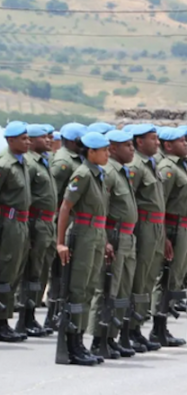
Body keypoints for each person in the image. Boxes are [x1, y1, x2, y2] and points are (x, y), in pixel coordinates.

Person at [57, 132, 111, 366]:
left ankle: (79, 340)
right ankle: (72, 344)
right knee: (77, 289)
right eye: (104, 150)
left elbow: (101, 215)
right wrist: (60, 242)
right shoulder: (83, 174)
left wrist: (105, 240)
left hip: (96, 235)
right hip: (82, 234)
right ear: (91, 152)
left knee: (89, 288)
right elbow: (65, 207)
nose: (108, 154)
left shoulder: (98, 174)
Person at [87, 129, 137, 358]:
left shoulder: (122, 172)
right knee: (106, 288)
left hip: (128, 237)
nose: (132, 149)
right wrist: (106, 240)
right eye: (127, 145)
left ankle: (111, 336)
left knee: (121, 289)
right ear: (114, 149)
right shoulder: (108, 173)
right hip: (113, 236)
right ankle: (99, 338)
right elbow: (101, 208)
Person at [0, 122, 31, 342]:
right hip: (8, 223)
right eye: (23, 139)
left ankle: (5, 318)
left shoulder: (20, 163)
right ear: (10, 140)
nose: (28, 142)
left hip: (21, 224)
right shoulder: (4, 164)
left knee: (15, 272)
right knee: (4, 273)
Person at [127, 124, 165, 351]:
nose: (157, 143)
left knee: (148, 278)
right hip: (142, 227)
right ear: (139, 141)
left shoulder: (152, 165)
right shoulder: (135, 166)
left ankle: (138, 326)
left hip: (156, 227)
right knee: (138, 278)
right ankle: (129, 327)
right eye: (152, 139)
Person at [153, 127, 187, 346]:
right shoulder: (168, 168)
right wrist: (164, 236)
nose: (186, 144)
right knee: (164, 278)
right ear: (168, 145)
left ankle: (163, 326)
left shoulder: (179, 167)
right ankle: (157, 327)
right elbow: (160, 204)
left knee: (173, 277)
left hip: (181, 227)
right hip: (172, 228)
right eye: (181, 141)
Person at [25, 124, 57, 337]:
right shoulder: (29, 163)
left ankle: (32, 313)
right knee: (32, 270)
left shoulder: (45, 161)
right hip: (35, 222)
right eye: (44, 137)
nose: (48, 140)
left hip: (48, 223)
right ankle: (25, 316)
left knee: (42, 270)